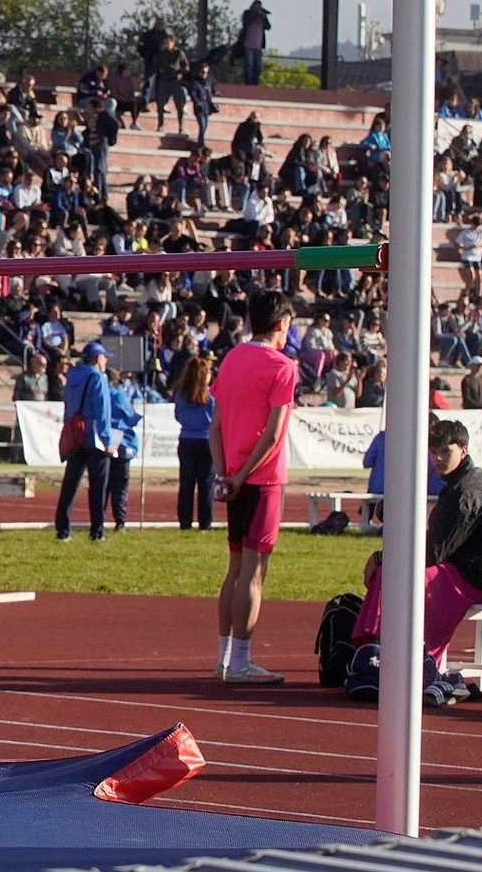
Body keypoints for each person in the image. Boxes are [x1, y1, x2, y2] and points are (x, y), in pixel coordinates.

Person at [209, 290, 297, 685]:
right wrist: (243, 474)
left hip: (233, 476)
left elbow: (216, 426)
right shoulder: (282, 367)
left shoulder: (232, 358)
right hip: (260, 479)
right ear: (281, 324)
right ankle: (241, 660)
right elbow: (274, 433)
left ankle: (225, 657)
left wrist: (224, 473)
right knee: (253, 572)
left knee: (234, 568)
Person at [351, 419, 482, 667]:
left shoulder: (466, 491)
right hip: (462, 569)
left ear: (464, 451)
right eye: (434, 451)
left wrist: (382, 557)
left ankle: (407, 657)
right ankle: (378, 648)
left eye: (445, 451)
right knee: (390, 572)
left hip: (474, 577)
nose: (437, 458)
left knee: (398, 574)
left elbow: (435, 552)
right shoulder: (457, 483)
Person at [55, 342, 114, 543]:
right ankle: (97, 531)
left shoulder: (71, 376)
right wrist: (107, 440)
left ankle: (62, 529)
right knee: (98, 486)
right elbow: (102, 412)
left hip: (75, 435)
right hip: (94, 438)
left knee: (70, 483)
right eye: (104, 357)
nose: (106, 360)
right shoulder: (98, 378)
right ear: (98, 358)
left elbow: (68, 407)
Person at [174, 355, 216, 531]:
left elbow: (178, 415)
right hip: (205, 440)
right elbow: (216, 419)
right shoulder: (210, 398)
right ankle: (205, 523)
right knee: (206, 483)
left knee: (186, 483)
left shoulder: (181, 395)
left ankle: (185, 522)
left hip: (186, 440)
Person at [105, 370, 141, 533]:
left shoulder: (100, 395)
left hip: (103, 442)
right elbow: (129, 417)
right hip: (122, 442)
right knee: (120, 485)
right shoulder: (118, 395)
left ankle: (98, 520)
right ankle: (119, 521)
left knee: (103, 483)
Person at [238, 1, 271, 86]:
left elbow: (268, 27)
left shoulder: (262, 17)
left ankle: (255, 82)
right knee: (249, 65)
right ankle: (248, 82)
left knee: (258, 66)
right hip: (248, 44)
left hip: (258, 45)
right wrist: (255, 14)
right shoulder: (248, 14)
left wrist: (263, 17)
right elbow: (246, 23)